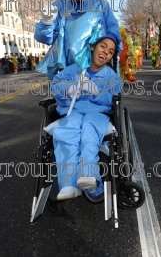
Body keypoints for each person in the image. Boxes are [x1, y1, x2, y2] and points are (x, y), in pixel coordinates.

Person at [50, 34, 122, 200]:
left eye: (110, 51)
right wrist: (69, 88)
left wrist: (96, 91)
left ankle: (89, 177)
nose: (105, 52)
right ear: (93, 47)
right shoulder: (75, 69)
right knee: (69, 129)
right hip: (73, 111)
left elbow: (115, 97)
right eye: (103, 46)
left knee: (89, 127)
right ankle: (68, 184)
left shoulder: (111, 76)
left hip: (97, 114)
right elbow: (56, 84)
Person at [34, 0, 121, 80]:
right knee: (67, 96)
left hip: (96, 67)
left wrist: (112, 49)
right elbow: (46, 39)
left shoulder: (99, 4)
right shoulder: (59, 5)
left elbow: (112, 29)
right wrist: (46, 24)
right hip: (67, 69)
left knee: (98, 96)